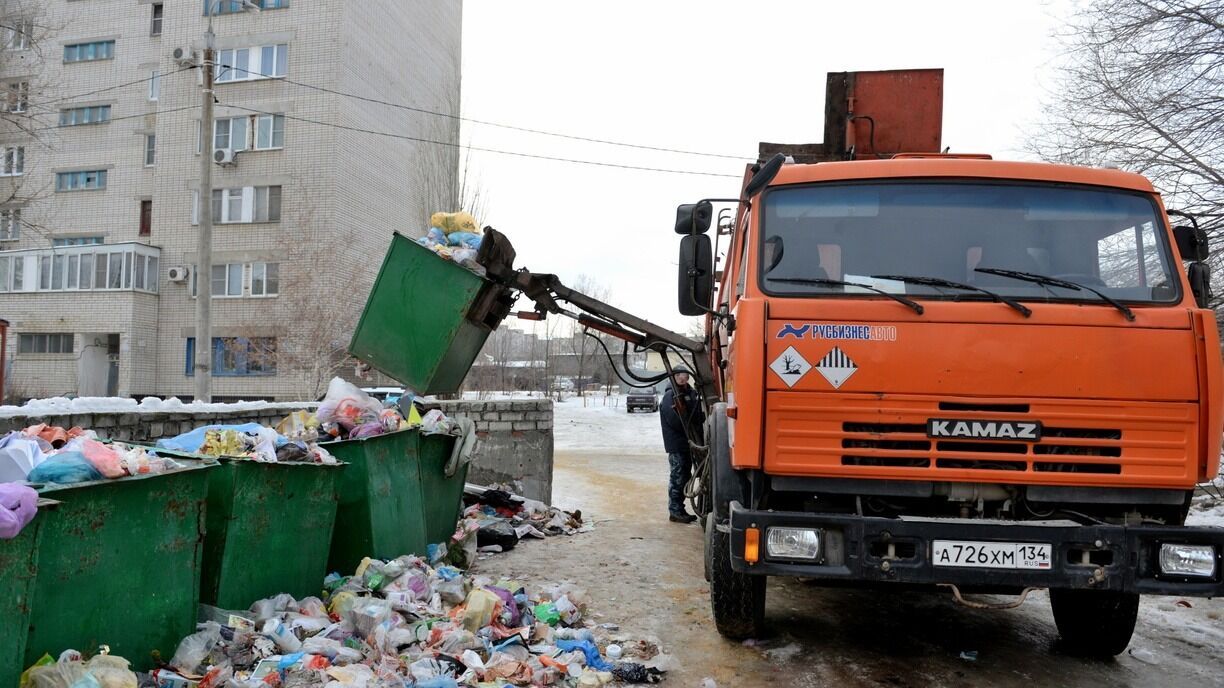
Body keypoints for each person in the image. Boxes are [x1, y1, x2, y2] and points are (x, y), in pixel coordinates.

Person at [659, 367, 704, 523]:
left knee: (685, 476)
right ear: (673, 377)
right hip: (678, 445)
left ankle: (680, 509)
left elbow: (698, 415)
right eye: (678, 375)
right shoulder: (670, 396)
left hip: (688, 444)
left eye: (684, 375)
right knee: (678, 477)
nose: (681, 378)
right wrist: (692, 424)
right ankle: (675, 511)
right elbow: (676, 422)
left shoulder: (691, 394)